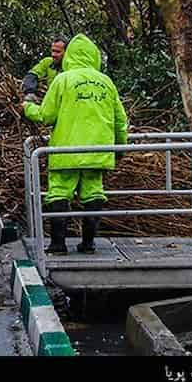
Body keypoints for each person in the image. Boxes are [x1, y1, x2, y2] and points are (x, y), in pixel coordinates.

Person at [23, 34, 128, 255]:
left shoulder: (63, 80)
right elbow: (120, 120)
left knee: (59, 193)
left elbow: (46, 115)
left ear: (69, 55)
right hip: (97, 152)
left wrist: (27, 108)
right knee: (93, 193)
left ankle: (58, 244)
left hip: (65, 151)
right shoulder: (106, 82)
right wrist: (120, 147)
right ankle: (88, 243)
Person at [22, 37, 67, 103]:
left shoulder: (70, 66)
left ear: (66, 52)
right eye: (52, 51)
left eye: (58, 52)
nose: (53, 54)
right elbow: (32, 74)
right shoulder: (48, 62)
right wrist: (30, 92)